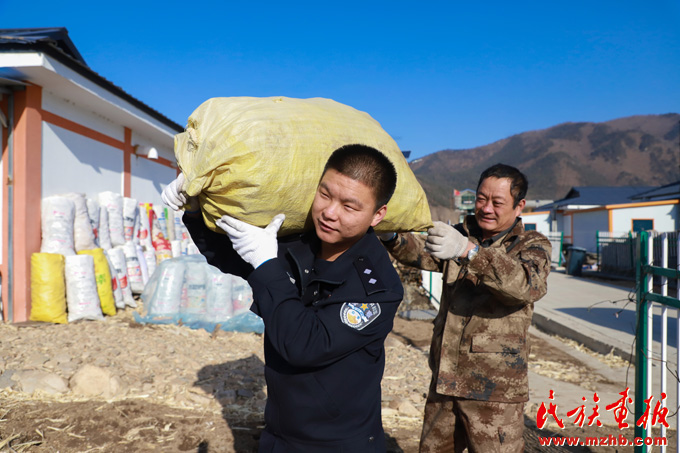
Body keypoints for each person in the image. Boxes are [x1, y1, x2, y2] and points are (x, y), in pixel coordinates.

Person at [162, 144, 403, 452]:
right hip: (278, 432)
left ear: (377, 215)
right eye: (325, 194)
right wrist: (194, 210)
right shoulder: (300, 245)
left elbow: (303, 345)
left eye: (349, 207)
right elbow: (230, 255)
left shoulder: (377, 289)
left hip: (336, 443)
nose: (330, 212)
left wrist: (267, 264)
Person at [380, 163, 552, 452]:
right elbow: (421, 250)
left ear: (519, 205)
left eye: (497, 202)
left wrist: (469, 252)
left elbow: (526, 285)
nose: (486, 208)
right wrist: (391, 237)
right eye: (481, 199)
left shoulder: (531, 244)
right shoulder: (463, 232)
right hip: (445, 382)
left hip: (494, 393)